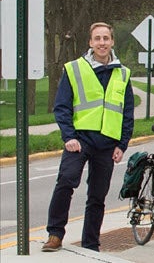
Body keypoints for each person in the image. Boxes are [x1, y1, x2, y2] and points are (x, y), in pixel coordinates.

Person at [42, 22, 134, 252]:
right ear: (90, 42)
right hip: (79, 141)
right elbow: (62, 107)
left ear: (112, 41)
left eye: (106, 38)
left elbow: (127, 113)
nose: (102, 43)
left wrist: (122, 144)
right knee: (66, 181)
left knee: (97, 195)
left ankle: (91, 243)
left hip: (107, 144)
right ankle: (55, 234)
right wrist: (68, 136)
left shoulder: (123, 73)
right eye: (97, 39)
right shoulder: (74, 69)